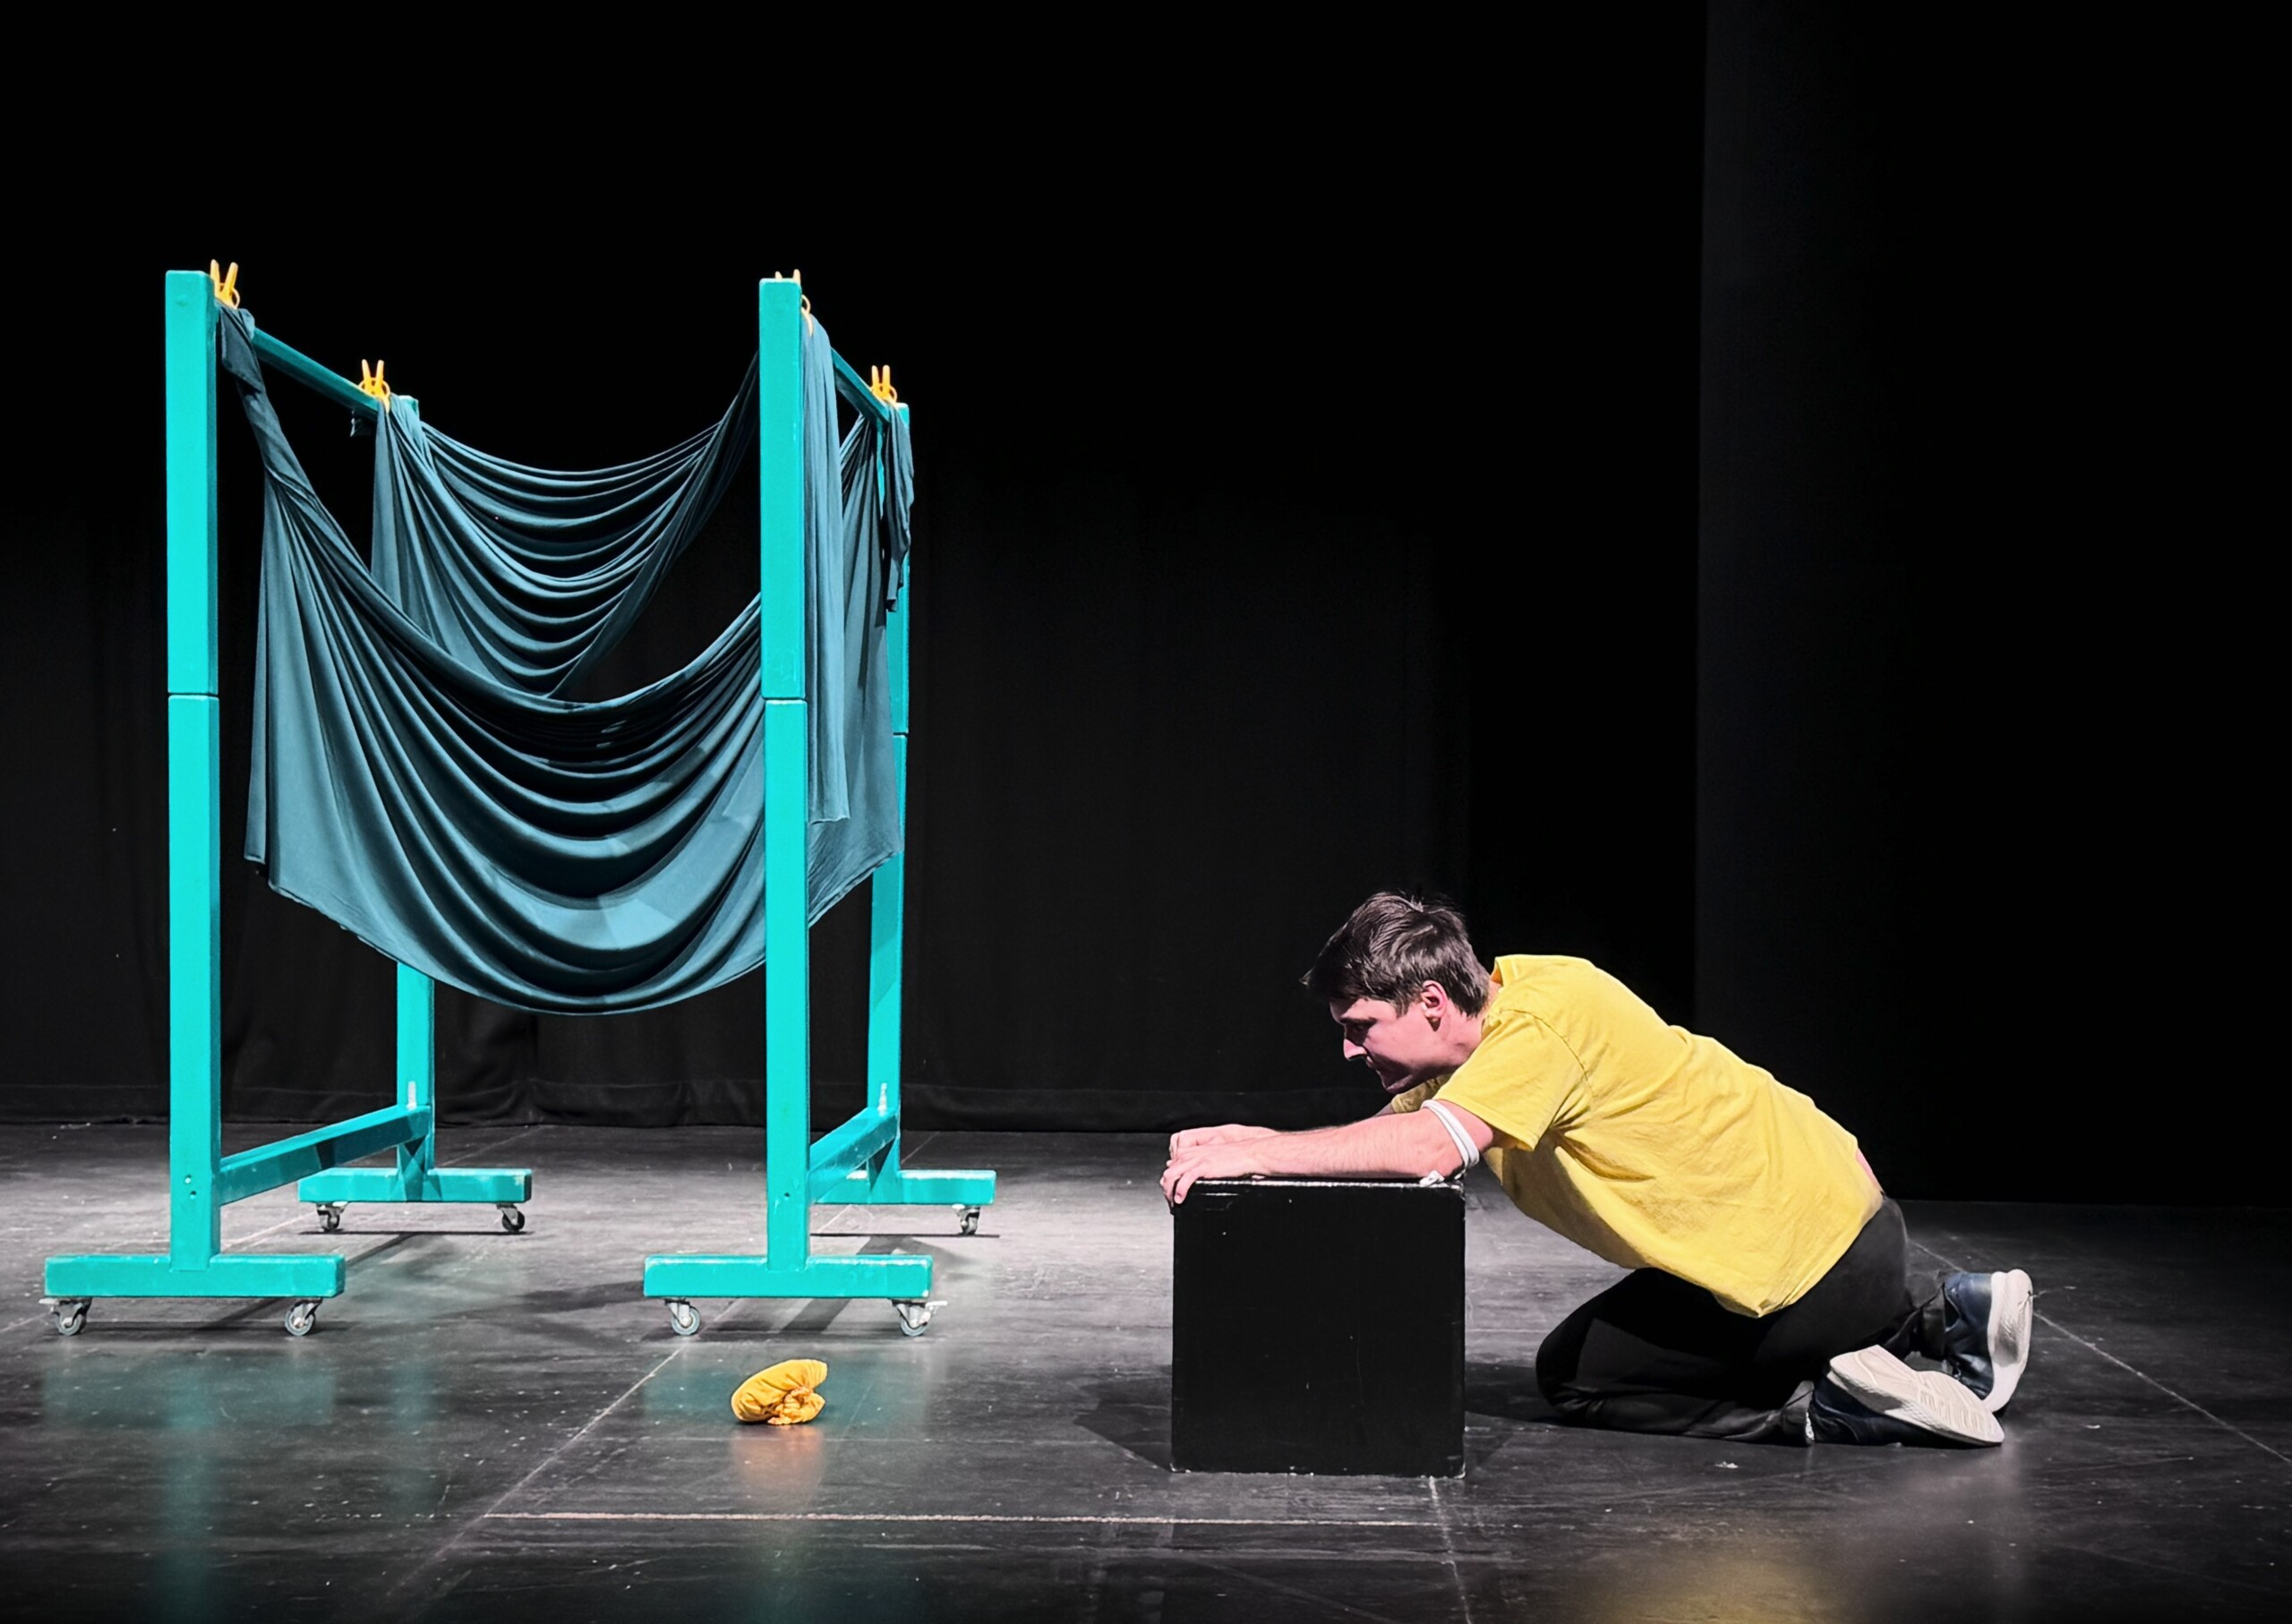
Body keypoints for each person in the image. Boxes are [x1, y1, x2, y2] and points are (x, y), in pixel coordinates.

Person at [1160, 892, 2033, 1447]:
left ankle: (1833, 1408)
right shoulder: (1523, 996)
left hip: (1814, 1275)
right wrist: (1262, 1136)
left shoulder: (1535, 1036)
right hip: (1853, 1225)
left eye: (1360, 1027)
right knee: (1636, 1335)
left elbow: (1425, 1149)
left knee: (1579, 1377)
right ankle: (1944, 1314)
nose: (1351, 1050)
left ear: (1429, 1001)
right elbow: (1387, 1138)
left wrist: (1261, 1153)